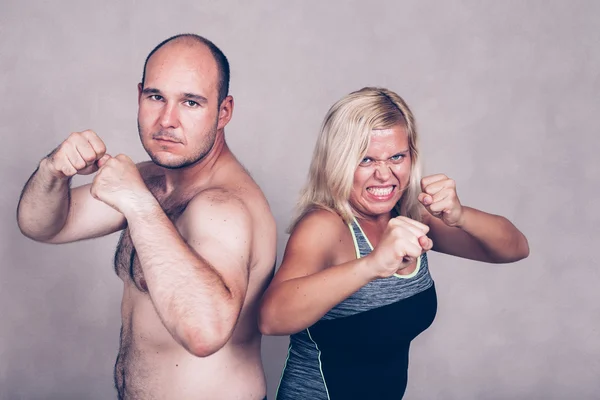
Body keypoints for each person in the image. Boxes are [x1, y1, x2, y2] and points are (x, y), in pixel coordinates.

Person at [17, 34, 276, 400]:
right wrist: (53, 171)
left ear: (224, 112)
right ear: (139, 95)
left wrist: (138, 204)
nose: (167, 120)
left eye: (191, 102)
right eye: (156, 97)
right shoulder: (153, 182)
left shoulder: (223, 207)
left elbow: (204, 334)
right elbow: (43, 224)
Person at [258, 87, 530, 400]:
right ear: (339, 161)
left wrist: (460, 215)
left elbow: (515, 248)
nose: (384, 175)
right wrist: (372, 265)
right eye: (366, 159)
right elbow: (271, 318)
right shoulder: (325, 226)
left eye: (397, 156)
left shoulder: (413, 215)